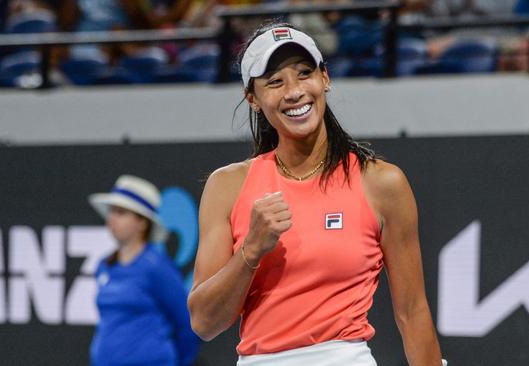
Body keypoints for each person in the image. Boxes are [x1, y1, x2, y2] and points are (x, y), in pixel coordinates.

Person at [187, 22, 445, 365]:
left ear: (325, 78)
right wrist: (251, 250)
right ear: (253, 98)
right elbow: (204, 323)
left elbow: (412, 312)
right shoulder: (227, 186)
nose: (294, 92)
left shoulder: (382, 183)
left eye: (304, 73)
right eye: (275, 82)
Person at [88, 175, 198, 366]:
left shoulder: (157, 267)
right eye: (111, 211)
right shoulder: (104, 265)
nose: (111, 218)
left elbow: (186, 325)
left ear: (142, 223)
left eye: (121, 212)